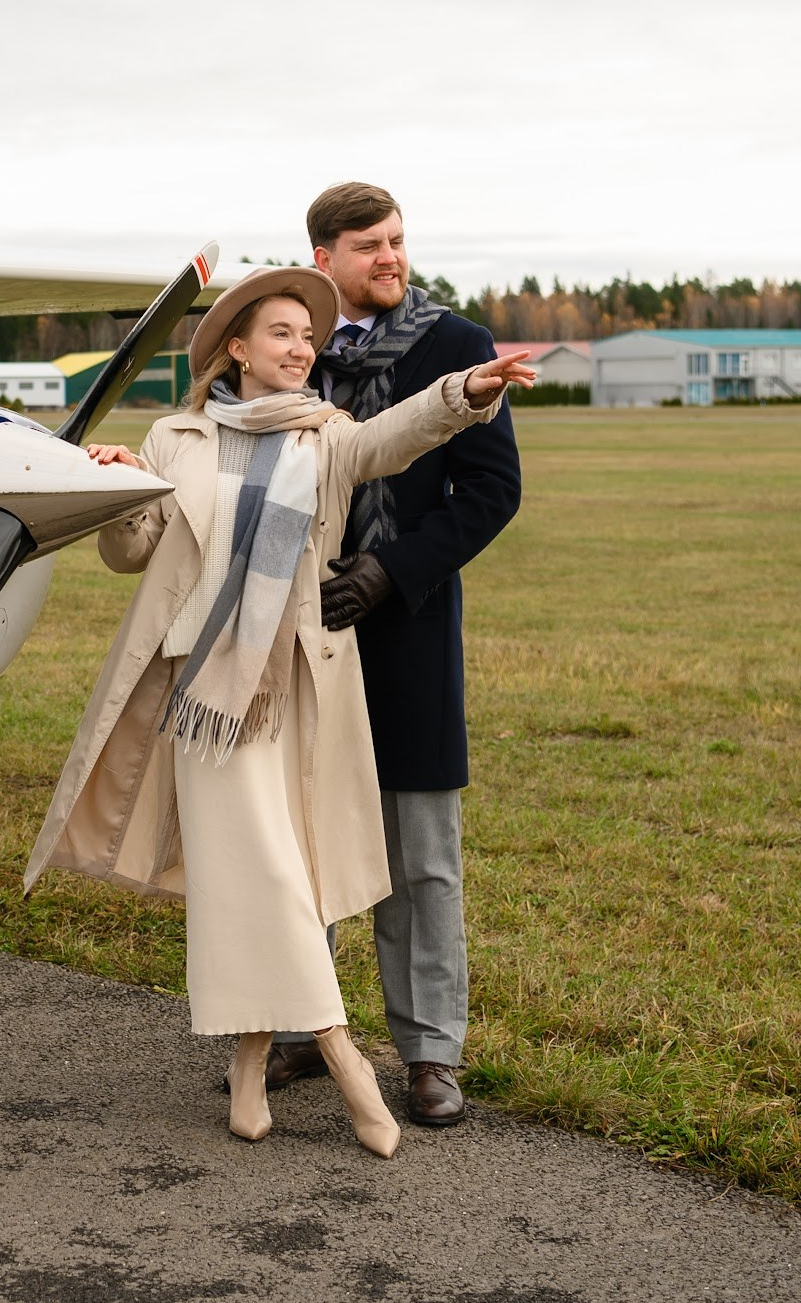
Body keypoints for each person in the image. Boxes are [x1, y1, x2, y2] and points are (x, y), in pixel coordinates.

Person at [24, 265, 534, 1155]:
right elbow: (132, 550)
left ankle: (254, 1067)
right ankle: (347, 1065)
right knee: (254, 875)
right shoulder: (175, 438)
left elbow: (398, 437)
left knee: (275, 877)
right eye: (283, 336)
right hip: (201, 697)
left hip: (291, 689)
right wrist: (116, 487)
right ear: (237, 349)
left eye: (309, 336)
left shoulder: (327, 436)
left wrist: (464, 393)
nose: (302, 350)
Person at [262, 182, 525, 1128]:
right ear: (324, 256)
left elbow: (491, 492)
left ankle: (429, 1054)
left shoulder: (455, 346)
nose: (391, 257)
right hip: (297, 632)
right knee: (296, 840)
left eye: (399, 240)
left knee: (421, 855)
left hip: (406, 628)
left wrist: (392, 569)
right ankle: (297, 1024)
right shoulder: (289, 352)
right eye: (369, 244)